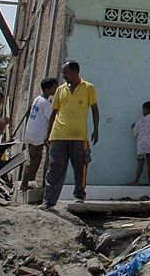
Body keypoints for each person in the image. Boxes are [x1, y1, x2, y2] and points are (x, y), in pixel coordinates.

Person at [42, 61, 99, 209]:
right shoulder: (61, 90)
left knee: (80, 167)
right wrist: (48, 134)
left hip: (79, 136)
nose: (64, 75)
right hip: (58, 135)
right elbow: (54, 112)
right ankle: (49, 201)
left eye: (66, 72)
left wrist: (96, 130)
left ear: (75, 71)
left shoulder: (88, 88)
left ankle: (79, 196)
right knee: (54, 168)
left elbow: (94, 109)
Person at [20, 77, 59, 191]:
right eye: (54, 87)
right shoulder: (45, 103)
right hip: (38, 136)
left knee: (32, 160)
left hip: (32, 134)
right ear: (47, 89)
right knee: (34, 161)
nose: (56, 89)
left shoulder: (38, 99)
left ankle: (25, 183)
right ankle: (24, 184)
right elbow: (52, 118)